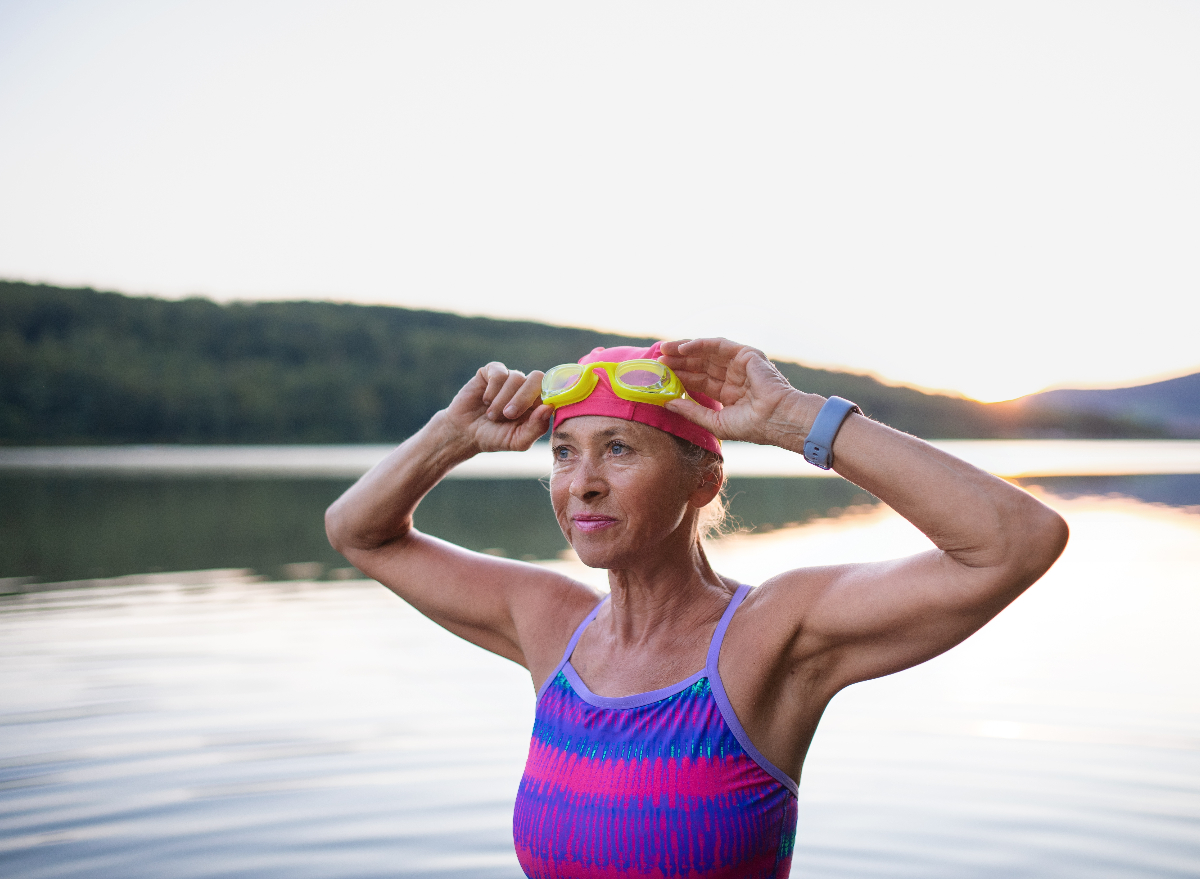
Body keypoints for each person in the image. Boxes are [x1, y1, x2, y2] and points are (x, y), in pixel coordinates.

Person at [324, 337, 1068, 879]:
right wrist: (450, 437)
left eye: (618, 449)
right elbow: (358, 531)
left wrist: (794, 419)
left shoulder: (775, 633)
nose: (581, 482)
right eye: (564, 452)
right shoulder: (548, 621)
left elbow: (1016, 541)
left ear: (702, 482)